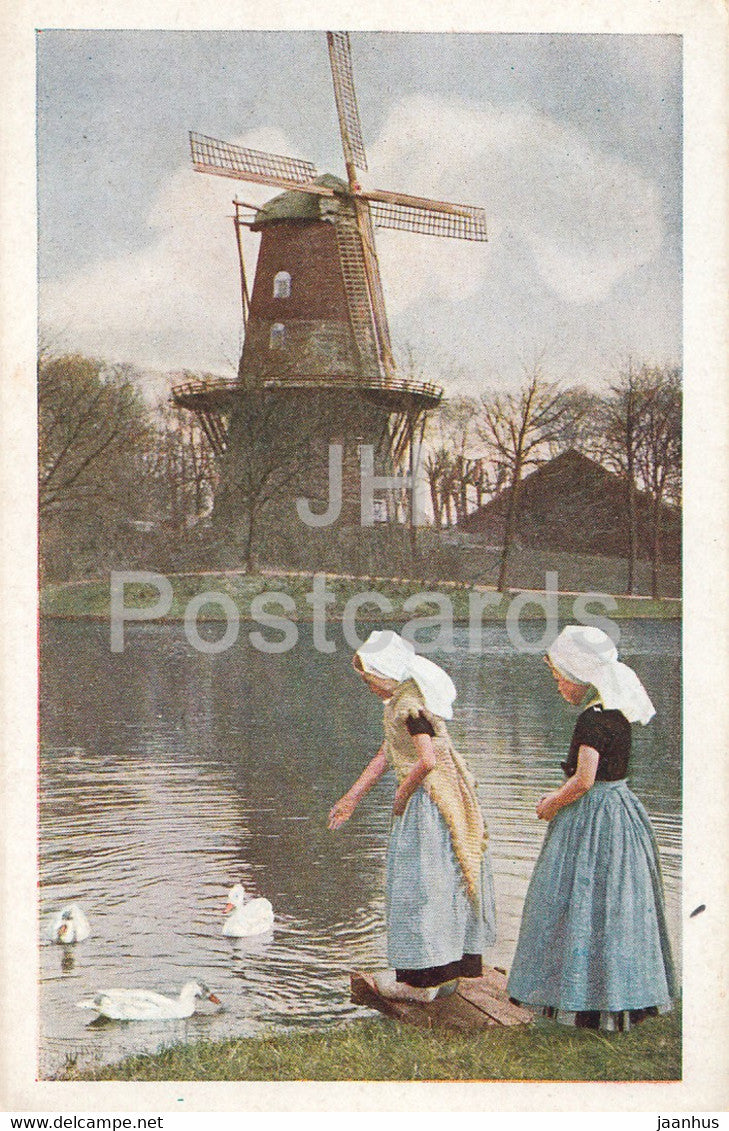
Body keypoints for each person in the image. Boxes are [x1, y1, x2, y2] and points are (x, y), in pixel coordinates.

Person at [507, 625, 676, 1031]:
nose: (559, 684)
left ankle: (576, 1000)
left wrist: (550, 803)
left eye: (559, 676)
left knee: (575, 900)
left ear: (579, 673)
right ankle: (617, 1001)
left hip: (592, 817)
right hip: (621, 811)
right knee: (613, 905)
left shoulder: (591, 719)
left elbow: (584, 781)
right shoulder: (617, 711)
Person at [328, 630, 496, 1002]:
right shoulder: (400, 701)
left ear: (387, 672)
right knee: (437, 881)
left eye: (370, 678)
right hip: (435, 794)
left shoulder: (411, 706)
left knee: (422, 882)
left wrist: (402, 793)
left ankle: (421, 981)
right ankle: (445, 970)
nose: (369, 686)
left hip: (432, 801)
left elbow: (427, 759)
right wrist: (352, 797)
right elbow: (389, 753)